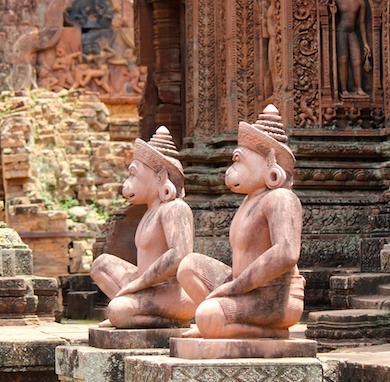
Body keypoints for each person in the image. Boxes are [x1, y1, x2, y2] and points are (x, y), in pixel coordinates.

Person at [177, 105, 305, 338]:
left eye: (238, 160)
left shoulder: (281, 198)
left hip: (275, 297)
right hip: (246, 290)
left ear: (270, 164)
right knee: (189, 266)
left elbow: (286, 253)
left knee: (206, 314)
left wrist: (234, 288)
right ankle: (219, 324)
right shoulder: (249, 201)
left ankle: (241, 328)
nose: (231, 169)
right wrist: (234, 287)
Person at [90, 126, 196, 328]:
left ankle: (163, 319)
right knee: (101, 264)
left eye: (134, 174)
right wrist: (139, 283)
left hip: (171, 293)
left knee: (118, 310)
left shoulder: (175, 208)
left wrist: (138, 284)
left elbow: (180, 256)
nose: (128, 182)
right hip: (148, 287)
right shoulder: (150, 211)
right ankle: (135, 310)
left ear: (160, 176)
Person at [330, 0, 371, 98]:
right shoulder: (337, 1)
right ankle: (344, 89)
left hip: (352, 32)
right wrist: (332, 12)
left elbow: (362, 24)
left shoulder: (359, 2)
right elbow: (331, 20)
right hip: (341, 32)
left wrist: (365, 43)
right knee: (343, 60)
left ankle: (359, 87)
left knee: (357, 60)